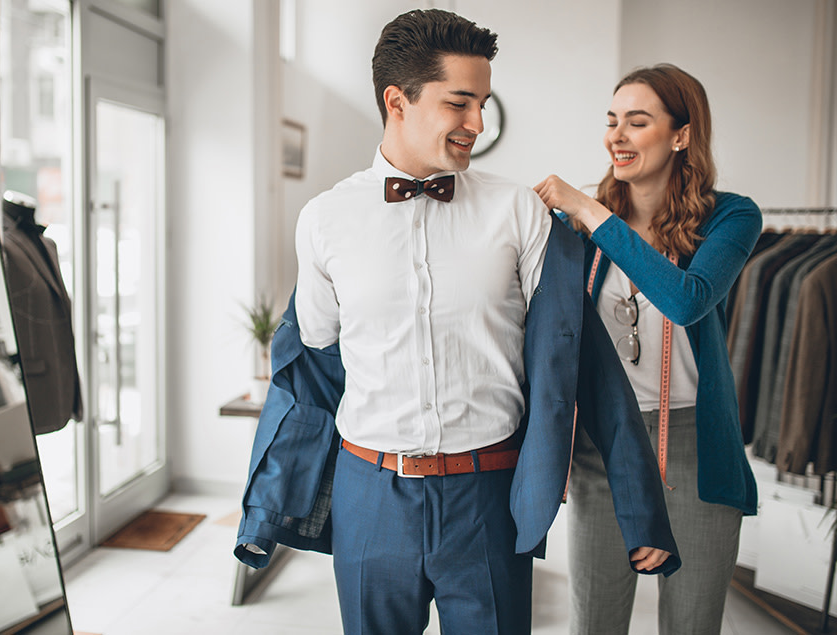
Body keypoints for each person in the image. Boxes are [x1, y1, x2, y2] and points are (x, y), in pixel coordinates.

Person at [236, 10, 680, 634]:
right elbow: (312, 363)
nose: (477, 123)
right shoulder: (323, 219)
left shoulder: (519, 213)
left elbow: (583, 364)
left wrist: (641, 512)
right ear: (398, 101)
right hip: (370, 497)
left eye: (483, 103)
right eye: (460, 103)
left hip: (489, 499)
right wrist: (267, 507)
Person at [534, 63, 760, 634]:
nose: (617, 136)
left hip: (695, 448)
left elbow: (687, 300)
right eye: (612, 121)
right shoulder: (573, 229)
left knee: (692, 625)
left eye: (637, 122)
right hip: (603, 447)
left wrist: (591, 212)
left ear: (681, 135)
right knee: (596, 624)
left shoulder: (730, 217)